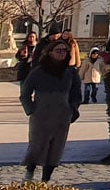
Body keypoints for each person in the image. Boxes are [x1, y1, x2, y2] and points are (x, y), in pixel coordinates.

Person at [19, 38, 82, 184]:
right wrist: (31, 110)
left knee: (56, 148)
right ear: (50, 53)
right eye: (58, 50)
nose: (62, 53)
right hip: (41, 115)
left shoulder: (71, 73)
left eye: (64, 51)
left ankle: (45, 180)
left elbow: (76, 95)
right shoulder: (38, 71)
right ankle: (29, 174)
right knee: (37, 145)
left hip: (62, 115)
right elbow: (25, 93)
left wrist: (72, 109)